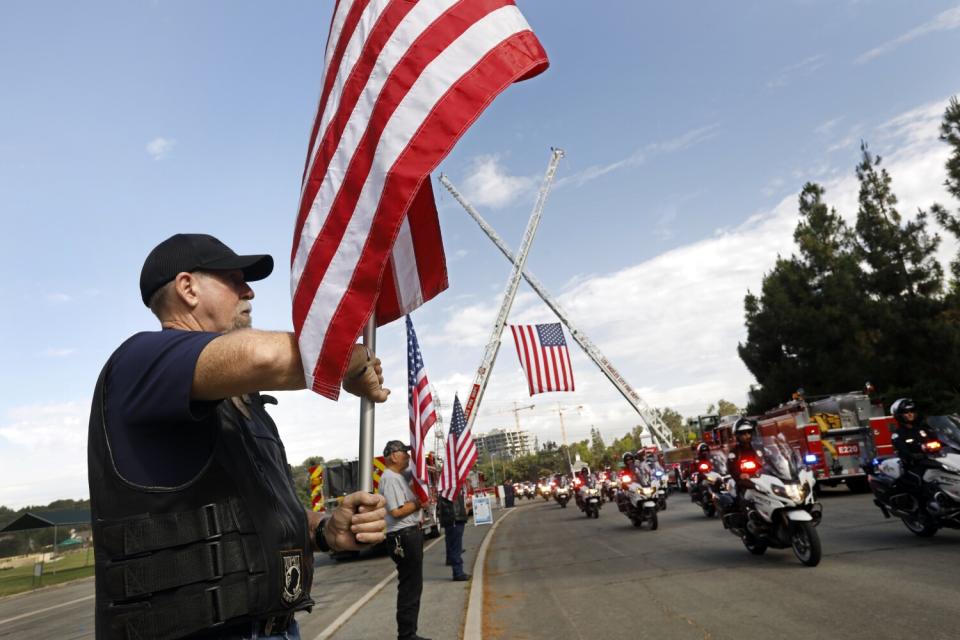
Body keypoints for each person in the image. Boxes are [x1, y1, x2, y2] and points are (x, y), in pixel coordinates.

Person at [88, 233, 390, 640]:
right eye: (233, 278)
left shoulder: (244, 403)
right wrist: (342, 359)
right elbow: (261, 355)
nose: (249, 291)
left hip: (276, 628)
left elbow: (255, 513)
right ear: (188, 288)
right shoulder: (138, 362)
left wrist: (325, 530)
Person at [381, 440, 431, 640]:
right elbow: (396, 511)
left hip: (408, 535)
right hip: (403, 536)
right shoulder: (391, 478)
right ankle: (407, 635)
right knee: (410, 588)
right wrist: (419, 503)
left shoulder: (398, 476)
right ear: (394, 455)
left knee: (412, 587)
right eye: (404, 452)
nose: (408, 456)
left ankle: (409, 633)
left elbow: (417, 470)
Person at [890, 398, 941, 510]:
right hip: (914, 465)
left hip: (932, 461)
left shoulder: (923, 429)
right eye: (906, 412)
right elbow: (903, 450)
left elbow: (941, 440)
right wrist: (912, 455)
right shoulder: (898, 434)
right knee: (921, 483)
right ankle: (924, 511)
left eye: (912, 411)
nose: (910, 414)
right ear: (899, 415)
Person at [438, 487, 471, 581]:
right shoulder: (452, 487)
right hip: (455, 518)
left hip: (452, 518)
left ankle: (452, 562)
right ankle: (458, 573)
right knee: (456, 546)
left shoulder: (447, 487)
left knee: (452, 543)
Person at [727, 418, 760, 508]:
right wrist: (740, 475)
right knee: (744, 501)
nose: (747, 435)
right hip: (745, 481)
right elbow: (731, 468)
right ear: (738, 436)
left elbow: (770, 460)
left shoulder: (759, 448)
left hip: (761, 478)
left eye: (749, 433)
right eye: (744, 433)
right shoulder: (734, 452)